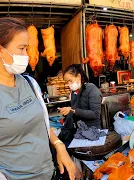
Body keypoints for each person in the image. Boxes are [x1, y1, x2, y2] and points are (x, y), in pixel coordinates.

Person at [0, 17, 77, 180]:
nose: (26, 55)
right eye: (21, 48)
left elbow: (41, 123)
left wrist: (58, 145)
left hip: (50, 173)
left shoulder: (30, 83)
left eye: (27, 49)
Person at [59, 64, 102, 129]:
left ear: (79, 76)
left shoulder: (92, 90)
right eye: (67, 82)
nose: (69, 84)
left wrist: (73, 110)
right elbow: (76, 111)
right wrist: (67, 113)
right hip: (79, 129)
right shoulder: (73, 93)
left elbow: (95, 114)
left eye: (70, 80)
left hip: (93, 130)